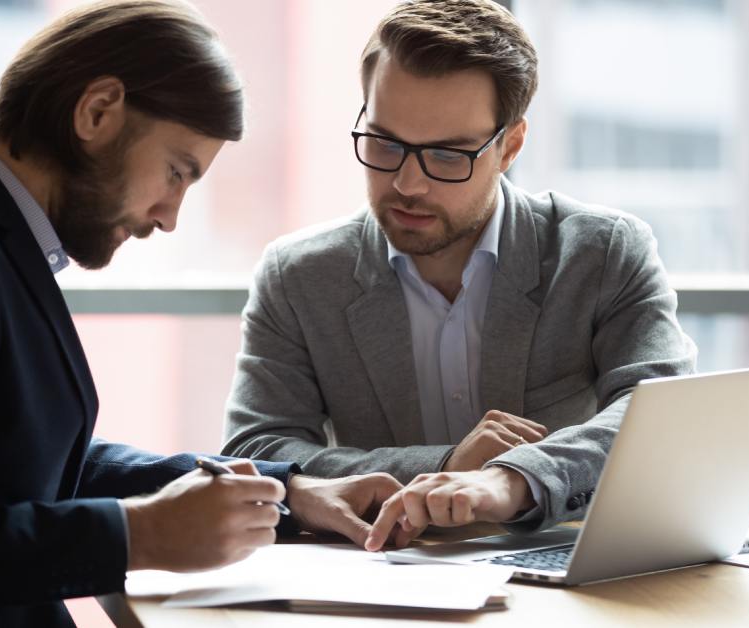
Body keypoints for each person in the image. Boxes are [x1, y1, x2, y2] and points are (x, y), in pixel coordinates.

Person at [0, 2, 403, 627]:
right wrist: (136, 537)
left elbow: (22, 458)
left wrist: (282, 495)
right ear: (97, 112)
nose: (169, 217)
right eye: (177, 172)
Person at [220, 0, 697, 552]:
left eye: (447, 155)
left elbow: (661, 412)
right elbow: (254, 451)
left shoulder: (600, 253)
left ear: (509, 146)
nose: (407, 183)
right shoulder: (300, 276)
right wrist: (443, 465)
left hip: (563, 574)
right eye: (385, 142)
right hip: (381, 581)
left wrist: (508, 479)